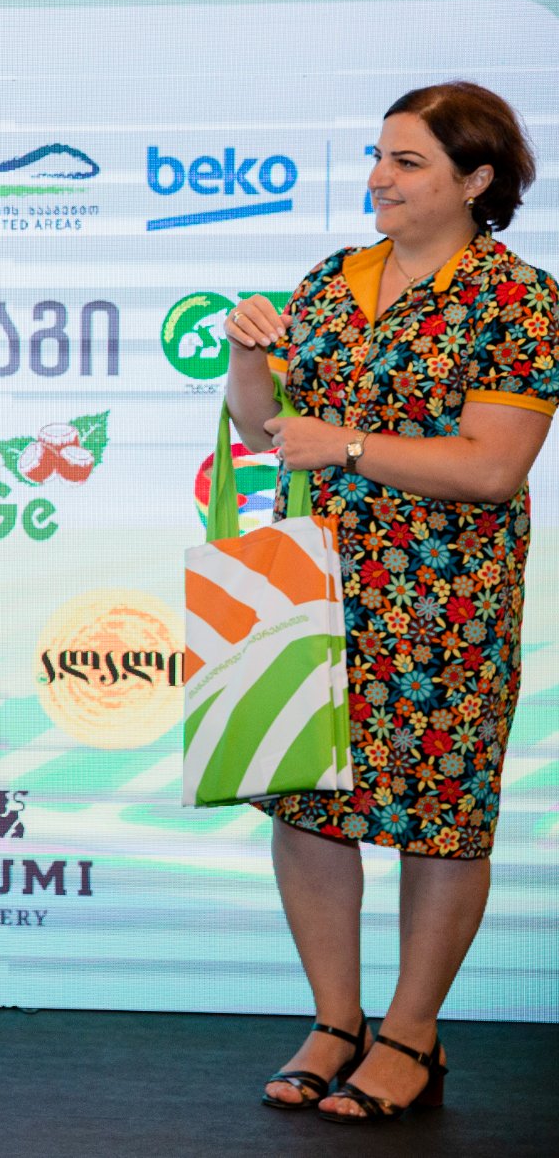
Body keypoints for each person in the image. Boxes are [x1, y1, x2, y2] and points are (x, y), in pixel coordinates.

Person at [225, 81, 551, 1123]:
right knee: (308, 804)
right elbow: (265, 427)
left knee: (439, 814)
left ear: (476, 179)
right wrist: (244, 355)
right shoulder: (334, 279)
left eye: (406, 161)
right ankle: (335, 1021)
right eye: (377, 156)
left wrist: (349, 445)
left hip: (446, 599)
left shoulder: (517, 299)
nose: (377, 177)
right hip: (314, 579)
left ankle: (410, 1032)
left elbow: (492, 467)